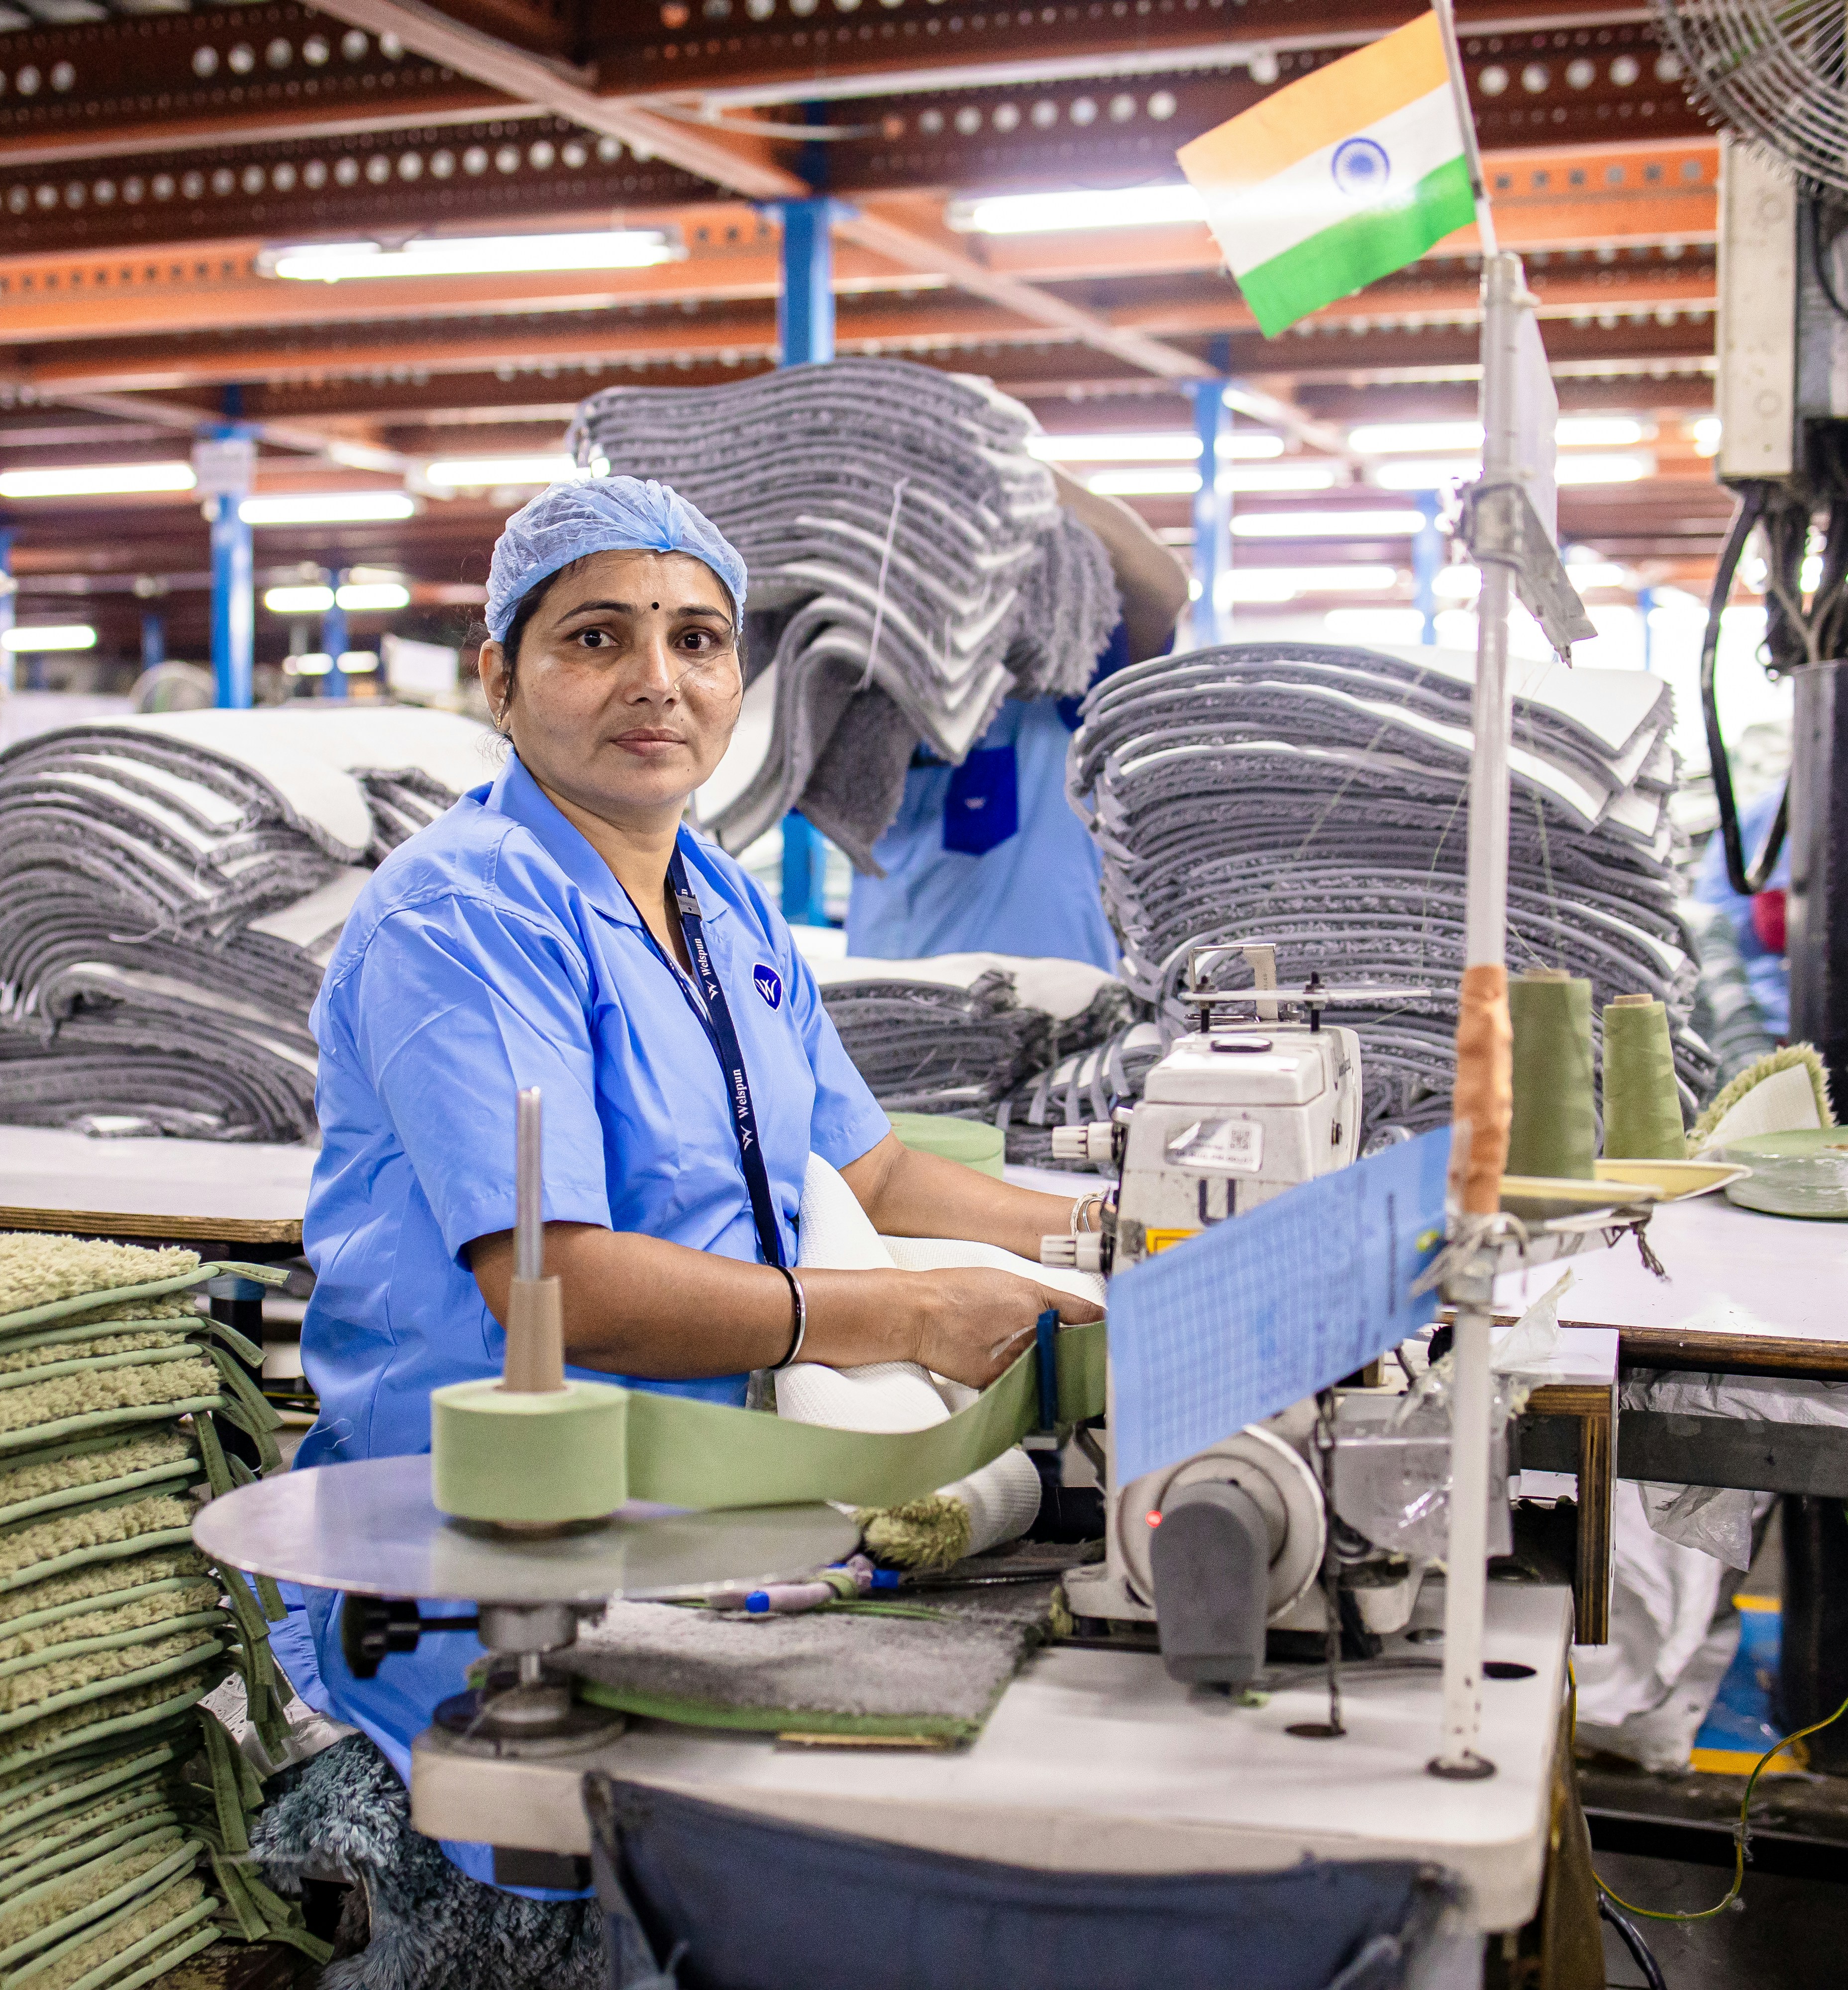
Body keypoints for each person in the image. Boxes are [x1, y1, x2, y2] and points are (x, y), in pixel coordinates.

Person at [267, 476, 1105, 1975]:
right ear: (501, 678)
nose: (656, 680)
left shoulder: (721, 904)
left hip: (704, 1520)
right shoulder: (463, 916)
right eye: (596, 638)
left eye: (697, 640)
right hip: (494, 1570)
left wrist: (1109, 1231)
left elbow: (876, 1174)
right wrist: (908, 1316)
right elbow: (561, 1283)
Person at [841, 473, 1186, 968]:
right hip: (892, 1010)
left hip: (1054, 1014)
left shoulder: (1069, 686)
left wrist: (1001, 465)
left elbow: (1164, 588)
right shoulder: (858, 694)